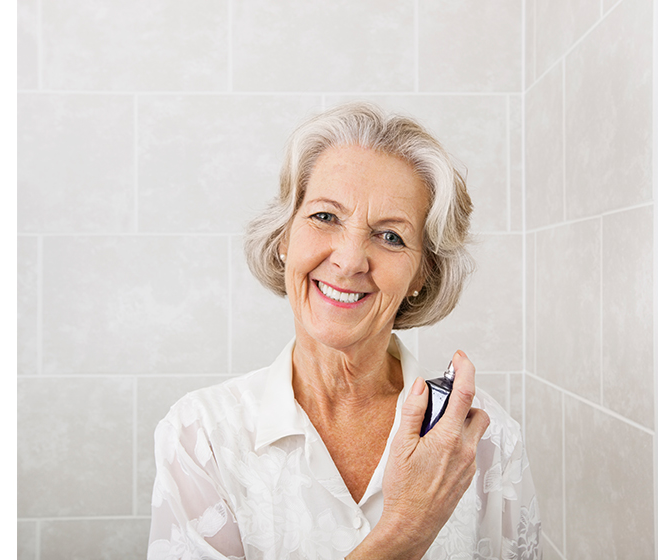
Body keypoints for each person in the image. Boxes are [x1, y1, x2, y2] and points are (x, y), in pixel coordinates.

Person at [147, 102, 541, 559]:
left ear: (421, 276)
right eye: (325, 217)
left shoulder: (485, 440)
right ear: (283, 238)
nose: (350, 260)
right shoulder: (202, 437)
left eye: (390, 236)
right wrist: (405, 530)